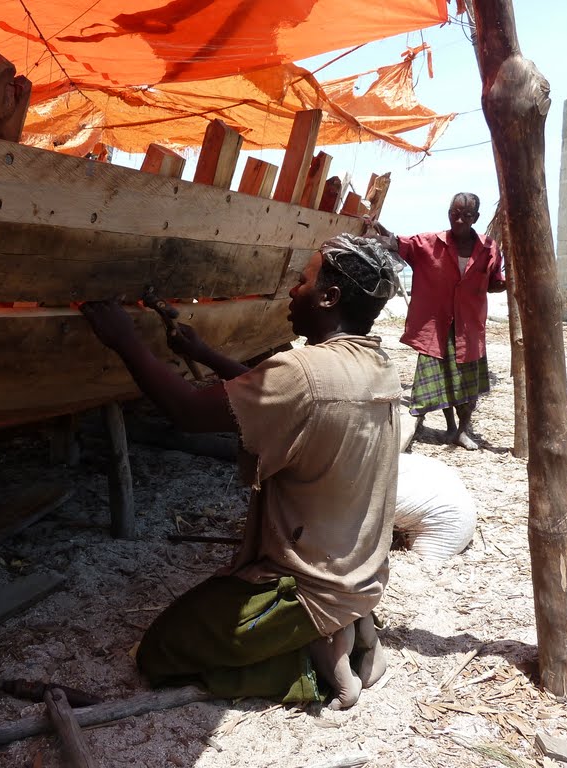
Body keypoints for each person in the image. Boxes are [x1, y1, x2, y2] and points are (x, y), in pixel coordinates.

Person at [80, 234, 404, 710]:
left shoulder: (302, 372)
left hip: (311, 586)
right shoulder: (374, 363)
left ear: (329, 297)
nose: (292, 291)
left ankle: (311, 666)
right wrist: (207, 353)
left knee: (159, 652)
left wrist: (125, 341)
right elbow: (292, 400)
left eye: (302, 281)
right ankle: (353, 630)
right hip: (359, 572)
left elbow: (188, 412)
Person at [365, 193, 505, 450]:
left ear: (476, 217)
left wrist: (510, 282)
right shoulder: (430, 243)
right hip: (437, 325)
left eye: (466, 215)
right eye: (454, 213)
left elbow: (495, 282)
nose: (459, 219)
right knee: (437, 379)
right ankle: (450, 427)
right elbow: (398, 243)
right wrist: (378, 228)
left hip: (469, 327)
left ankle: (463, 431)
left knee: (467, 385)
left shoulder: (488, 248)